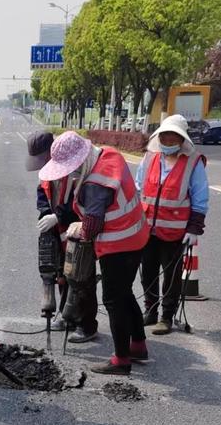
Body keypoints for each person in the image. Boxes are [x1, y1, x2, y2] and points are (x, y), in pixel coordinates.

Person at [39, 132, 150, 375]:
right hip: (137, 234)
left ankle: (121, 360)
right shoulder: (109, 155)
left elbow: (92, 226)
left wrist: (74, 230)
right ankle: (138, 345)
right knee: (125, 293)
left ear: (82, 160)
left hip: (119, 244)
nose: (72, 174)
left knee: (113, 300)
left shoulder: (95, 184)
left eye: (73, 169)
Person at [136, 114, 208, 335]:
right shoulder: (150, 158)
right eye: (164, 137)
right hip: (147, 229)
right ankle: (151, 310)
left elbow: (200, 197)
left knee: (171, 276)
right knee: (147, 272)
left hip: (176, 232)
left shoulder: (193, 163)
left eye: (173, 138)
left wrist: (194, 228)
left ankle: (166, 317)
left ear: (182, 140)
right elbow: (139, 189)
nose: (168, 142)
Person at [25, 130, 98, 343]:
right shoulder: (47, 171)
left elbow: (81, 201)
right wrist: (46, 214)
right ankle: (68, 317)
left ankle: (87, 325)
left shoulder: (74, 166)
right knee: (63, 274)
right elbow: (42, 193)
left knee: (82, 277)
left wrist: (58, 216)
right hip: (57, 229)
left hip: (78, 228)